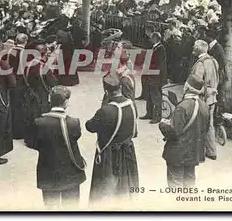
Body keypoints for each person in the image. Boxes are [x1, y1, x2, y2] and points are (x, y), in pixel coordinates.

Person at [86, 75, 139, 205]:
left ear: (106, 92)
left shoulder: (106, 110)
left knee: (105, 192)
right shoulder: (131, 105)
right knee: (126, 187)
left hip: (110, 155)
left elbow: (90, 126)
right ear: (120, 88)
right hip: (128, 152)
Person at [34, 86, 86, 208]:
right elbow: (76, 137)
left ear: (49, 100)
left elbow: (34, 144)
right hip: (71, 171)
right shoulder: (74, 122)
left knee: (51, 207)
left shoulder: (39, 122)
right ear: (66, 102)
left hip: (48, 170)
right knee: (72, 208)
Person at [159, 74, 210, 188]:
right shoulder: (205, 107)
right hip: (194, 152)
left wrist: (162, 124)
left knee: (175, 185)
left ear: (186, 87)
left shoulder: (183, 107)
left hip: (178, 153)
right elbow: (205, 130)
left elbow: (173, 131)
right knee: (189, 183)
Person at [24, 44, 59, 148]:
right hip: (42, 95)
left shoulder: (28, 64)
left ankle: (30, 139)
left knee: (31, 115)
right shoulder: (44, 67)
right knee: (41, 116)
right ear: (44, 54)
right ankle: (39, 142)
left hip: (31, 93)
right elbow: (53, 82)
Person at [189, 40, 219, 160]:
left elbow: (196, 83)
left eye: (194, 46)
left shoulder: (200, 64)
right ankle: (212, 151)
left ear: (197, 49)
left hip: (202, 98)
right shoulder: (213, 61)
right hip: (212, 98)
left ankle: (199, 152)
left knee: (198, 125)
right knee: (209, 125)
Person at [140, 31, 168, 124]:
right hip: (150, 75)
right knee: (149, 95)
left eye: (151, 37)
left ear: (155, 38)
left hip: (156, 77)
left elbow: (160, 64)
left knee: (156, 97)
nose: (150, 39)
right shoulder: (154, 47)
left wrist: (154, 75)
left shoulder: (161, 49)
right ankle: (149, 113)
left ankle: (157, 116)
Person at [8, 33, 30, 139]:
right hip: (19, 81)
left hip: (10, 79)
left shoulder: (10, 50)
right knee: (20, 106)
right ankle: (18, 132)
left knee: (12, 105)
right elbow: (23, 70)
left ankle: (11, 130)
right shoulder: (24, 52)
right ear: (25, 41)